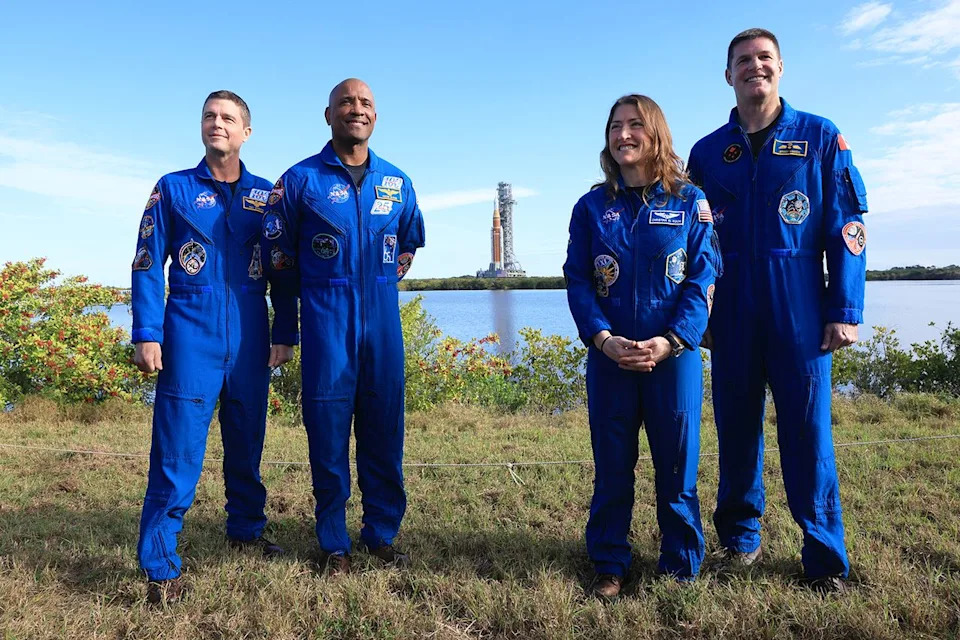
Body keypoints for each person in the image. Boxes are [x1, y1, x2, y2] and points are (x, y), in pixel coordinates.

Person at [687, 28, 868, 592]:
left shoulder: (821, 137)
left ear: (781, 67)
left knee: (808, 434)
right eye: (743, 60)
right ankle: (740, 540)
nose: (755, 67)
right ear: (728, 75)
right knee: (736, 429)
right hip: (731, 309)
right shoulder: (707, 152)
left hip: (800, 306)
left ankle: (824, 557)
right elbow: (691, 244)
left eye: (764, 57)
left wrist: (845, 307)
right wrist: (697, 316)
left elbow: (848, 228)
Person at [131, 90, 297, 604]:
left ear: (246, 132)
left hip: (250, 334)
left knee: (247, 443)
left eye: (227, 117)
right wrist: (148, 332)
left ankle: (246, 529)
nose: (217, 123)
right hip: (189, 333)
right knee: (177, 451)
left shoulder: (268, 196)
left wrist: (284, 332)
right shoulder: (173, 189)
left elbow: (282, 270)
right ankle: (161, 565)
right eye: (209, 115)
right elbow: (146, 262)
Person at [262, 78, 425, 575]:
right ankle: (334, 542)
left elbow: (408, 245)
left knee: (385, 433)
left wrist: (379, 281)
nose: (357, 109)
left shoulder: (397, 182)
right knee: (328, 437)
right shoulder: (299, 181)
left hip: (382, 326)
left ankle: (381, 534)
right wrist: (289, 325)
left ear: (375, 116)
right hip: (326, 325)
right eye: (347, 102)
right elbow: (278, 259)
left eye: (366, 103)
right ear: (328, 114)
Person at [564, 94, 720, 599]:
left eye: (635, 125)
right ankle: (610, 561)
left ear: (656, 134)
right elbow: (578, 280)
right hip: (610, 359)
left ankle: (680, 564)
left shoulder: (689, 201)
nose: (624, 134)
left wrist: (672, 340)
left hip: (672, 358)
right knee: (612, 468)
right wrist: (603, 339)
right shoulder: (591, 207)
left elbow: (704, 276)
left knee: (676, 468)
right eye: (615, 126)